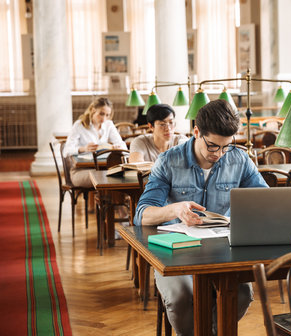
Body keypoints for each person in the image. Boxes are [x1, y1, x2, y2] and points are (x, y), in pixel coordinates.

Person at [135, 99, 267, 335]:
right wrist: (175, 209)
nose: (220, 154)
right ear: (197, 132)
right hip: (175, 251)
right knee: (181, 298)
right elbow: (142, 215)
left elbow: (266, 202)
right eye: (213, 146)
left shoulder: (238, 159)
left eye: (226, 146)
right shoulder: (168, 161)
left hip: (222, 249)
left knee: (242, 294)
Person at [64, 97, 127, 188]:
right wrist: (84, 149)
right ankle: (104, 201)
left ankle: (110, 202)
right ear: (93, 110)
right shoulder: (79, 125)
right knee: (106, 178)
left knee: (117, 176)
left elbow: (123, 146)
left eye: (107, 115)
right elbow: (66, 150)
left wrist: (118, 147)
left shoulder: (108, 124)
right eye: (101, 114)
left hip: (104, 168)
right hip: (81, 171)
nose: (104, 118)